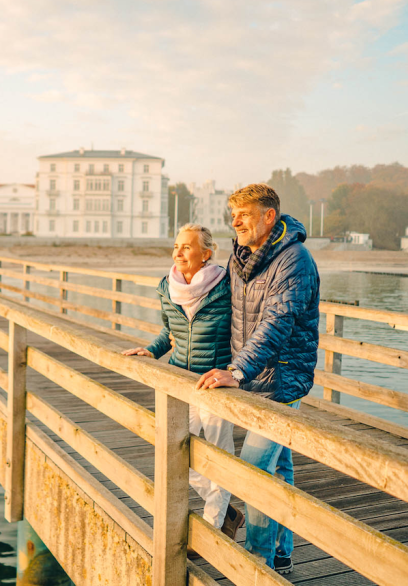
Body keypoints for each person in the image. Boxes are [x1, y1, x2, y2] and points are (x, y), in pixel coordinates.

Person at [194, 184, 320, 576]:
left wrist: (236, 370)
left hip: (282, 383)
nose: (235, 222)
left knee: (252, 470)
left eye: (244, 214)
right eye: (232, 215)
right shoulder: (241, 257)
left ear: (269, 216)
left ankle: (257, 565)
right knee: (277, 468)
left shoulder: (294, 260)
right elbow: (227, 313)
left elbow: (277, 321)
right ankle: (282, 555)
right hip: (250, 378)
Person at [123, 223, 245, 543]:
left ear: (206, 254)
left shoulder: (227, 285)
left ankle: (213, 528)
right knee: (175, 452)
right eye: (177, 246)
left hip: (215, 383)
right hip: (181, 381)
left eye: (187, 247)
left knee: (219, 456)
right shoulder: (167, 287)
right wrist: (152, 350)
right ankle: (227, 510)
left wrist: (237, 371)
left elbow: (245, 331)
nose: (179, 252)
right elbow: (170, 331)